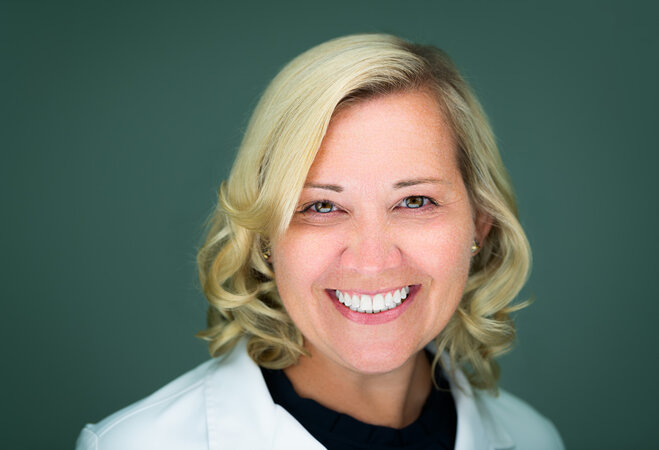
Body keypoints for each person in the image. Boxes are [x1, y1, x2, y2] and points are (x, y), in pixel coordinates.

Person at [76, 34, 564, 449]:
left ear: (480, 222)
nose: (372, 260)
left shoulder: (534, 438)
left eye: (415, 201)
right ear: (264, 235)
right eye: (322, 207)